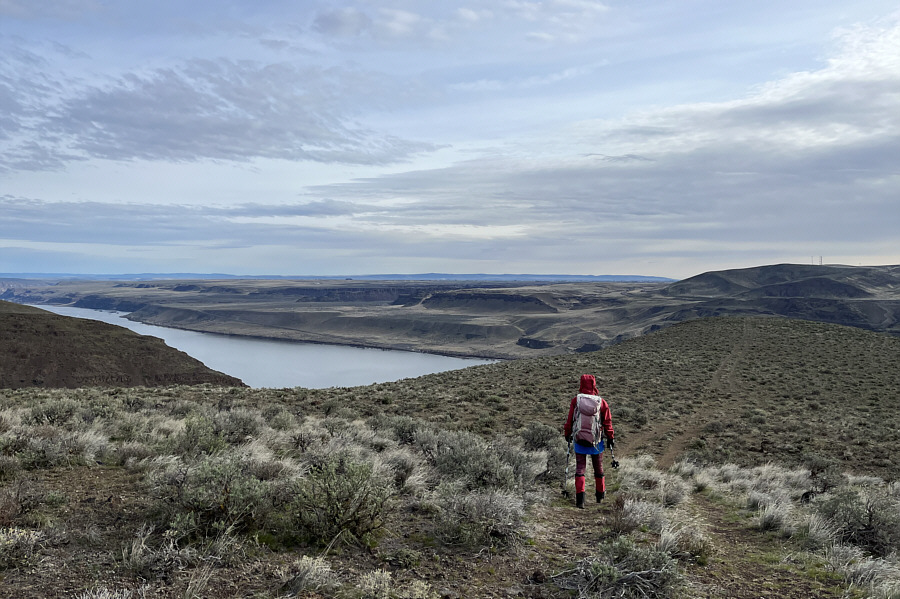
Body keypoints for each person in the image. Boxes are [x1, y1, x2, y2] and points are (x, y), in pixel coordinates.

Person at [563, 374, 615, 508]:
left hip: (579, 439)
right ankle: (600, 497)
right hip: (596, 441)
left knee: (580, 468)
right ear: (594, 385)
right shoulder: (601, 402)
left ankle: (580, 500)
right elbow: (607, 421)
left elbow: (570, 420)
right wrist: (610, 437)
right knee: (598, 467)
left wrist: (567, 433)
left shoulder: (576, 400)